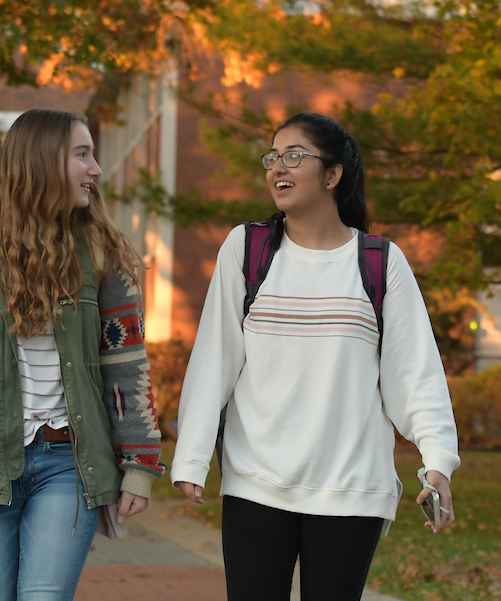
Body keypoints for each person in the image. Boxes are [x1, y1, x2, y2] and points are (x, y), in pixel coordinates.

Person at [171, 112, 460, 600]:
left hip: (351, 490)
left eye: (294, 156)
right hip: (256, 482)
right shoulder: (247, 249)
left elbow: (415, 374)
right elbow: (214, 360)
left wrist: (437, 463)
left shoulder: (379, 263)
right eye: (273, 156)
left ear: (332, 174)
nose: (277, 167)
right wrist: (192, 458)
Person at [0, 108, 165, 601]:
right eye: (82, 155)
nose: (96, 170)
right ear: (41, 162)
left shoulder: (103, 251)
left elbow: (126, 365)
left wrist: (140, 463)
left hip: (69, 460)